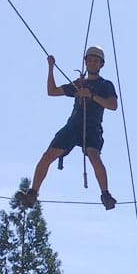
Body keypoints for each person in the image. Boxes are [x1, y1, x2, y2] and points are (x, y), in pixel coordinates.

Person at [15, 47, 118, 210]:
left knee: (94, 156)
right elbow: (52, 91)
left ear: (101, 65)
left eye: (96, 61)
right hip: (73, 125)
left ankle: (106, 195)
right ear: (86, 62)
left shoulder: (105, 85)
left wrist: (91, 96)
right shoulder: (79, 84)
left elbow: (113, 105)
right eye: (90, 60)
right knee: (48, 155)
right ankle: (32, 194)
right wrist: (51, 68)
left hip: (91, 126)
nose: (92, 63)